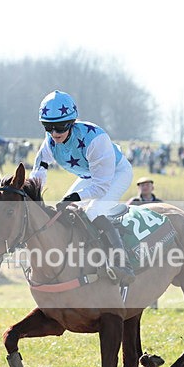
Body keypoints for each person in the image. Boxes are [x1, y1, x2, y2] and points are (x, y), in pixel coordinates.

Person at [29, 90, 135, 286]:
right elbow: (39, 170)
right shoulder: (50, 142)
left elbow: (101, 187)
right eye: (48, 127)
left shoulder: (95, 139)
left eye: (59, 127)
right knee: (65, 211)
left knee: (93, 210)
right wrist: (30, 193)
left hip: (117, 174)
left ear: (71, 122)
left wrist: (75, 197)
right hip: (90, 176)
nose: (54, 133)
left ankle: (122, 263)